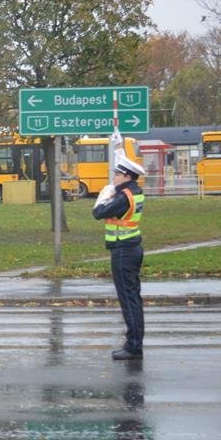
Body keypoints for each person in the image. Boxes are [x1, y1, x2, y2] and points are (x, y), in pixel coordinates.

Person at [93, 154, 147, 360]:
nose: (114, 177)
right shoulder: (133, 192)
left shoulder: (124, 197)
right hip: (130, 249)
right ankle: (134, 343)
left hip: (124, 252)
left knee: (129, 300)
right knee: (132, 298)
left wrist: (103, 197)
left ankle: (133, 346)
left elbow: (98, 213)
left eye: (117, 174)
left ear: (126, 176)